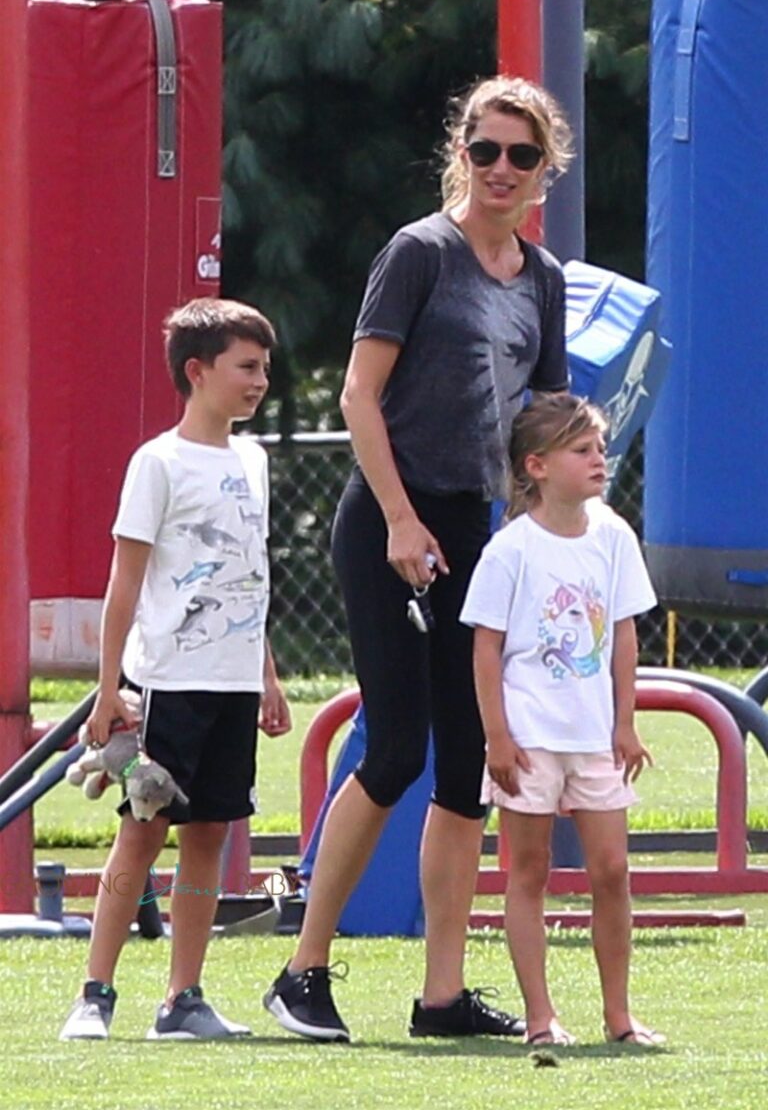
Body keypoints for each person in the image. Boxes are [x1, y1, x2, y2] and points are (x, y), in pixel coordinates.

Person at [264, 75, 574, 1043]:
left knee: (471, 759)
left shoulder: (543, 278)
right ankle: (300, 971)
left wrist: (551, 538)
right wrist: (400, 520)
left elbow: (543, 423)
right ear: (462, 153)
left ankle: (442, 995)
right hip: (389, 518)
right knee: (396, 746)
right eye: (485, 150)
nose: (500, 170)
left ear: (544, 170)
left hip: (473, 527)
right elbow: (359, 397)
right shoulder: (419, 254)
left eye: (521, 155)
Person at [60, 297, 291, 1042]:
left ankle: (182, 998)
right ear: (198, 372)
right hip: (167, 682)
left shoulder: (253, 461)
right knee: (143, 830)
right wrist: (107, 692)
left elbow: (247, 576)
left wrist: (267, 673)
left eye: (264, 368)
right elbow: (124, 582)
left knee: (210, 836)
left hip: (232, 682)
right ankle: (94, 994)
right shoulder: (156, 463)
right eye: (246, 367)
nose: (260, 381)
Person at [460, 393, 664, 1047]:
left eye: (600, 447)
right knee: (530, 870)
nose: (599, 459)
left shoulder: (613, 537)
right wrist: (498, 736)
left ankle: (620, 1016)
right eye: (583, 450)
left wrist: (624, 723)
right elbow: (486, 647)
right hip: (528, 739)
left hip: (595, 737)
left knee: (611, 871)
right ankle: (541, 1018)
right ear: (538, 466)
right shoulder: (510, 550)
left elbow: (625, 636)